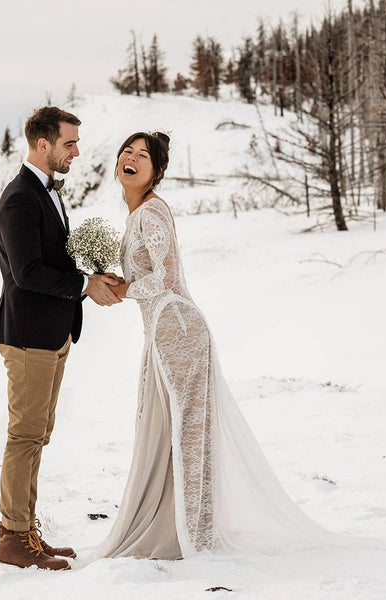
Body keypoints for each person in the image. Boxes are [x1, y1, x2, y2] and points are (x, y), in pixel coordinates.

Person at [95, 132, 335, 559]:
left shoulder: (150, 212)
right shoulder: (137, 215)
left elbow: (164, 280)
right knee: (166, 430)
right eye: (126, 153)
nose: (131, 159)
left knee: (188, 433)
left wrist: (127, 288)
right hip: (163, 331)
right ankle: (175, 528)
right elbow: (149, 274)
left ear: (158, 172)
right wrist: (119, 282)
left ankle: (195, 536)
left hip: (178, 328)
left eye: (142, 156)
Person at [0, 106, 121, 570]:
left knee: (36, 436)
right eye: (69, 143)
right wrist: (85, 286)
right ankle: (12, 539)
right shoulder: (20, 198)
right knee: (24, 437)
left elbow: (50, 261)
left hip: (50, 333)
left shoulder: (44, 192)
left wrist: (92, 274)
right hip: (28, 337)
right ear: (42, 144)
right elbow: (26, 273)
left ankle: (25, 532)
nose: (77, 152)